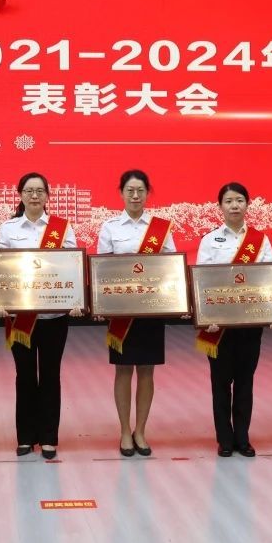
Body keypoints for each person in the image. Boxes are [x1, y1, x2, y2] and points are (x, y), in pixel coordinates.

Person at [0, 172, 83, 460]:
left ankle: (48, 437)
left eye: (40, 191)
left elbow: (71, 266)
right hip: (21, 317)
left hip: (54, 316)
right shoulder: (8, 229)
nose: (34, 195)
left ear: (47, 195)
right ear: (20, 194)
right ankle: (25, 436)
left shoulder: (62, 228)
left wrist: (76, 299)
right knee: (24, 376)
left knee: (51, 375)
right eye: (29, 190)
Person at [194, 182, 272, 458]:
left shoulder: (260, 240)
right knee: (220, 384)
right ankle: (224, 439)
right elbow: (202, 282)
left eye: (240, 200)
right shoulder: (209, 240)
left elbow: (269, 279)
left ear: (247, 204)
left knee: (245, 382)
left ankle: (243, 438)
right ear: (220, 206)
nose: (234, 205)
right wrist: (205, 317)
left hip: (250, 322)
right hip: (219, 325)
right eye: (229, 201)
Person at [96, 169, 176, 458]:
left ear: (147, 193)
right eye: (130, 190)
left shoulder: (160, 228)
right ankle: (124, 430)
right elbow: (101, 269)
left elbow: (171, 268)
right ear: (121, 193)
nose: (135, 195)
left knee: (146, 370)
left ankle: (140, 430)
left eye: (140, 190)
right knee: (123, 369)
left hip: (151, 308)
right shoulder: (110, 228)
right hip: (121, 311)